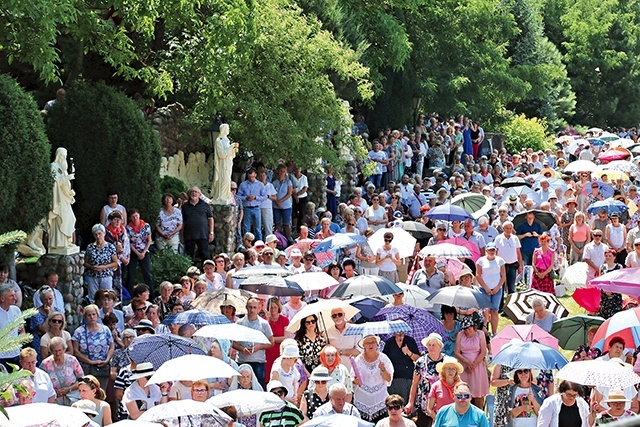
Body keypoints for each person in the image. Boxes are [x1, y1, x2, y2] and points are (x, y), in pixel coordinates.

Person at [232, 297, 275, 389]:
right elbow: (233, 342)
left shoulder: (264, 324)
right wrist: (242, 349)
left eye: (254, 307)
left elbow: (271, 342)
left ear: (259, 308)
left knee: (259, 389)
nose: (252, 310)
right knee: (240, 387)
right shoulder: (239, 323)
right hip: (242, 361)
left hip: (258, 362)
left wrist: (259, 347)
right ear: (246, 307)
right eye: (250, 307)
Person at [352, 334, 394, 422]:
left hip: (380, 400)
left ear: (377, 344)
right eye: (367, 343)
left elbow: (389, 379)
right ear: (363, 346)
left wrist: (383, 370)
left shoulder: (384, 358)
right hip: (362, 398)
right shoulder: (358, 359)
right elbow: (352, 378)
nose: (370, 345)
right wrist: (354, 381)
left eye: (373, 342)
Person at [406, 333, 445, 426]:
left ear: (440, 346)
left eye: (434, 345)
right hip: (424, 403)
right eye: (429, 345)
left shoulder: (447, 361)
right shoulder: (421, 362)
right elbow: (414, 384)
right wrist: (410, 403)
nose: (431, 347)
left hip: (441, 404)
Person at [72, 304, 114, 390]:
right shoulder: (79, 332)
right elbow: (75, 351)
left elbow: (111, 346)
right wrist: (90, 361)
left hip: (102, 367)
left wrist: (107, 360)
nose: (92, 317)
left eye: (94, 314)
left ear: (98, 315)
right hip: (86, 368)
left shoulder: (105, 330)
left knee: (101, 392)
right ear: (85, 317)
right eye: (89, 315)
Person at [454, 317, 489, 409]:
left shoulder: (480, 334)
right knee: (464, 394)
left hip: (478, 367)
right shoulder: (460, 335)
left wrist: (474, 365)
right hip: (464, 367)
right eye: (465, 328)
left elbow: (483, 351)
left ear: (474, 327)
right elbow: (457, 352)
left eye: (469, 328)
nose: (467, 331)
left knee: (478, 395)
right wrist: (467, 363)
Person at [48, 147, 77, 252]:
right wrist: (66, 178)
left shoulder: (63, 169)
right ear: (59, 156)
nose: (65, 158)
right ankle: (59, 244)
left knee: (70, 218)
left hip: (65, 198)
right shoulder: (53, 167)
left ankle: (67, 242)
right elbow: (54, 183)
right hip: (58, 199)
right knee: (62, 219)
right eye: (63, 156)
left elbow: (66, 186)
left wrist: (70, 193)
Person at [40, 336, 84, 405]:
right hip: (54, 400)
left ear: (64, 349)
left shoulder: (72, 360)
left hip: (73, 399)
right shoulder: (45, 364)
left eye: (60, 350)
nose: (57, 353)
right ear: (51, 351)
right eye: (55, 351)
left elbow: (82, 380)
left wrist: (69, 389)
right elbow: (41, 383)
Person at [475, 242, 505, 336]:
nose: (492, 251)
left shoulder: (500, 260)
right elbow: (478, 275)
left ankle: (494, 332)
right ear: (486, 250)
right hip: (484, 289)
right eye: (490, 250)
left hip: (497, 289)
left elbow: (503, 276)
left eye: (493, 250)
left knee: (494, 311)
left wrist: (497, 287)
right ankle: (485, 330)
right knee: (485, 311)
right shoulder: (481, 261)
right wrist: (486, 288)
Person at [422, 356, 463, 423]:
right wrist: (439, 420)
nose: (451, 371)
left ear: (456, 371)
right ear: (443, 370)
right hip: (440, 422)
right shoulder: (436, 386)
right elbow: (429, 409)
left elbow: (466, 406)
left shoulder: (461, 386)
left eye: (453, 369)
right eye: (448, 368)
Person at [382, 331, 419, 404]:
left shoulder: (410, 341)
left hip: (407, 377)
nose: (400, 332)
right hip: (393, 378)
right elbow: (384, 358)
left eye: (402, 330)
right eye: (397, 331)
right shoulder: (390, 342)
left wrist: (409, 352)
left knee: (405, 402)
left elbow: (418, 359)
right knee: (394, 403)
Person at [84, 224, 118, 302]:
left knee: (107, 297)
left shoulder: (110, 247)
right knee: (93, 298)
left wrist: (103, 267)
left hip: (106, 275)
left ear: (104, 233)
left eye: (99, 233)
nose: (98, 236)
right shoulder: (90, 247)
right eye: (96, 234)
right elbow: (85, 262)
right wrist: (92, 267)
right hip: (93, 275)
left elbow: (115, 263)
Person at [182, 186, 215, 262]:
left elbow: (211, 219)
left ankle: (206, 272)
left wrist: (211, 233)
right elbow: (182, 221)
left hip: (202, 234)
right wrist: (181, 235)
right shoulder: (185, 206)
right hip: (189, 235)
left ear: (200, 195)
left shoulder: (205, 205)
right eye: (192, 192)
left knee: (204, 254)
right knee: (188, 256)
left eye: (196, 192)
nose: (194, 193)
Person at [126, 209, 154, 294]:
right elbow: (129, 242)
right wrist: (137, 253)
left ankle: (151, 295)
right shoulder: (128, 228)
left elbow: (149, 240)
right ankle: (130, 295)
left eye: (136, 216)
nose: (135, 218)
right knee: (131, 274)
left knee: (147, 273)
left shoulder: (146, 226)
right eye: (133, 216)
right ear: (130, 218)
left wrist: (143, 252)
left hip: (144, 250)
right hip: (133, 252)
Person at [211, 123, 239, 204]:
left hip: (228, 163)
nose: (228, 130)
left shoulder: (226, 140)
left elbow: (229, 154)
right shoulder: (219, 140)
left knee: (227, 180)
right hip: (222, 165)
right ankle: (221, 196)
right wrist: (231, 147)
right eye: (227, 129)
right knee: (224, 180)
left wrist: (233, 151)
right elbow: (221, 154)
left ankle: (225, 196)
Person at [494, 221, 522, 295]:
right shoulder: (498, 238)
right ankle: (500, 304)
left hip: (512, 265)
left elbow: (518, 253)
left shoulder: (515, 238)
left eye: (510, 228)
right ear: (503, 228)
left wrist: (520, 266)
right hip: (501, 266)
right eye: (507, 228)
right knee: (501, 286)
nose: (509, 230)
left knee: (511, 287)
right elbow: (495, 252)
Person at [265, 297, 290, 383]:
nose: (273, 309)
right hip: (267, 352)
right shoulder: (264, 319)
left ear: (278, 307)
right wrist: (267, 321)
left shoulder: (284, 320)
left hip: (279, 352)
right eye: (271, 307)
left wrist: (272, 339)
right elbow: (263, 335)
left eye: (275, 307)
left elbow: (286, 337)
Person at [239, 169, 267, 241]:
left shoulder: (260, 185)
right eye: (250, 177)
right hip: (247, 207)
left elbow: (265, 196)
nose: (251, 179)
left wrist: (255, 197)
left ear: (255, 175)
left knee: (258, 227)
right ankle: (246, 243)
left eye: (253, 177)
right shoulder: (243, 184)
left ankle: (259, 243)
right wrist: (245, 198)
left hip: (256, 207)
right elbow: (238, 196)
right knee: (246, 227)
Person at [30, 286, 58, 361]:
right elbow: (44, 329)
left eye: (50, 299)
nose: (48, 302)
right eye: (45, 299)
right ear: (41, 300)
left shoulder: (57, 311)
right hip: (40, 344)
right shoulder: (36, 313)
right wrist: (49, 315)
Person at [0, 284, 25, 367]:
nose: (15, 298)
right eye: (11, 296)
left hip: (16, 354)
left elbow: (22, 330)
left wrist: (19, 342)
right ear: (2, 298)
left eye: (14, 295)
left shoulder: (16, 310)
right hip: (1, 356)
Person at [598, 249, 623, 319]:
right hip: (604, 294)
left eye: (610, 256)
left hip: (615, 294)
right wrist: (605, 289)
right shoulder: (602, 267)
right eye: (606, 256)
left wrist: (611, 290)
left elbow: (619, 281)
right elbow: (600, 280)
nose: (608, 257)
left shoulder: (619, 267)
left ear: (614, 257)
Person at [272, 164, 294, 242]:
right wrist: (277, 203)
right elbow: (272, 194)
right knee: (277, 223)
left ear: (286, 172)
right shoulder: (274, 182)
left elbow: (289, 194)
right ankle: (278, 239)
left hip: (286, 205)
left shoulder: (288, 182)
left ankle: (288, 239)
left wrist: (280, 202)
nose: (282, 173)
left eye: (283, 171)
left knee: (286, 223)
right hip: (276, 205)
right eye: (280, 171)